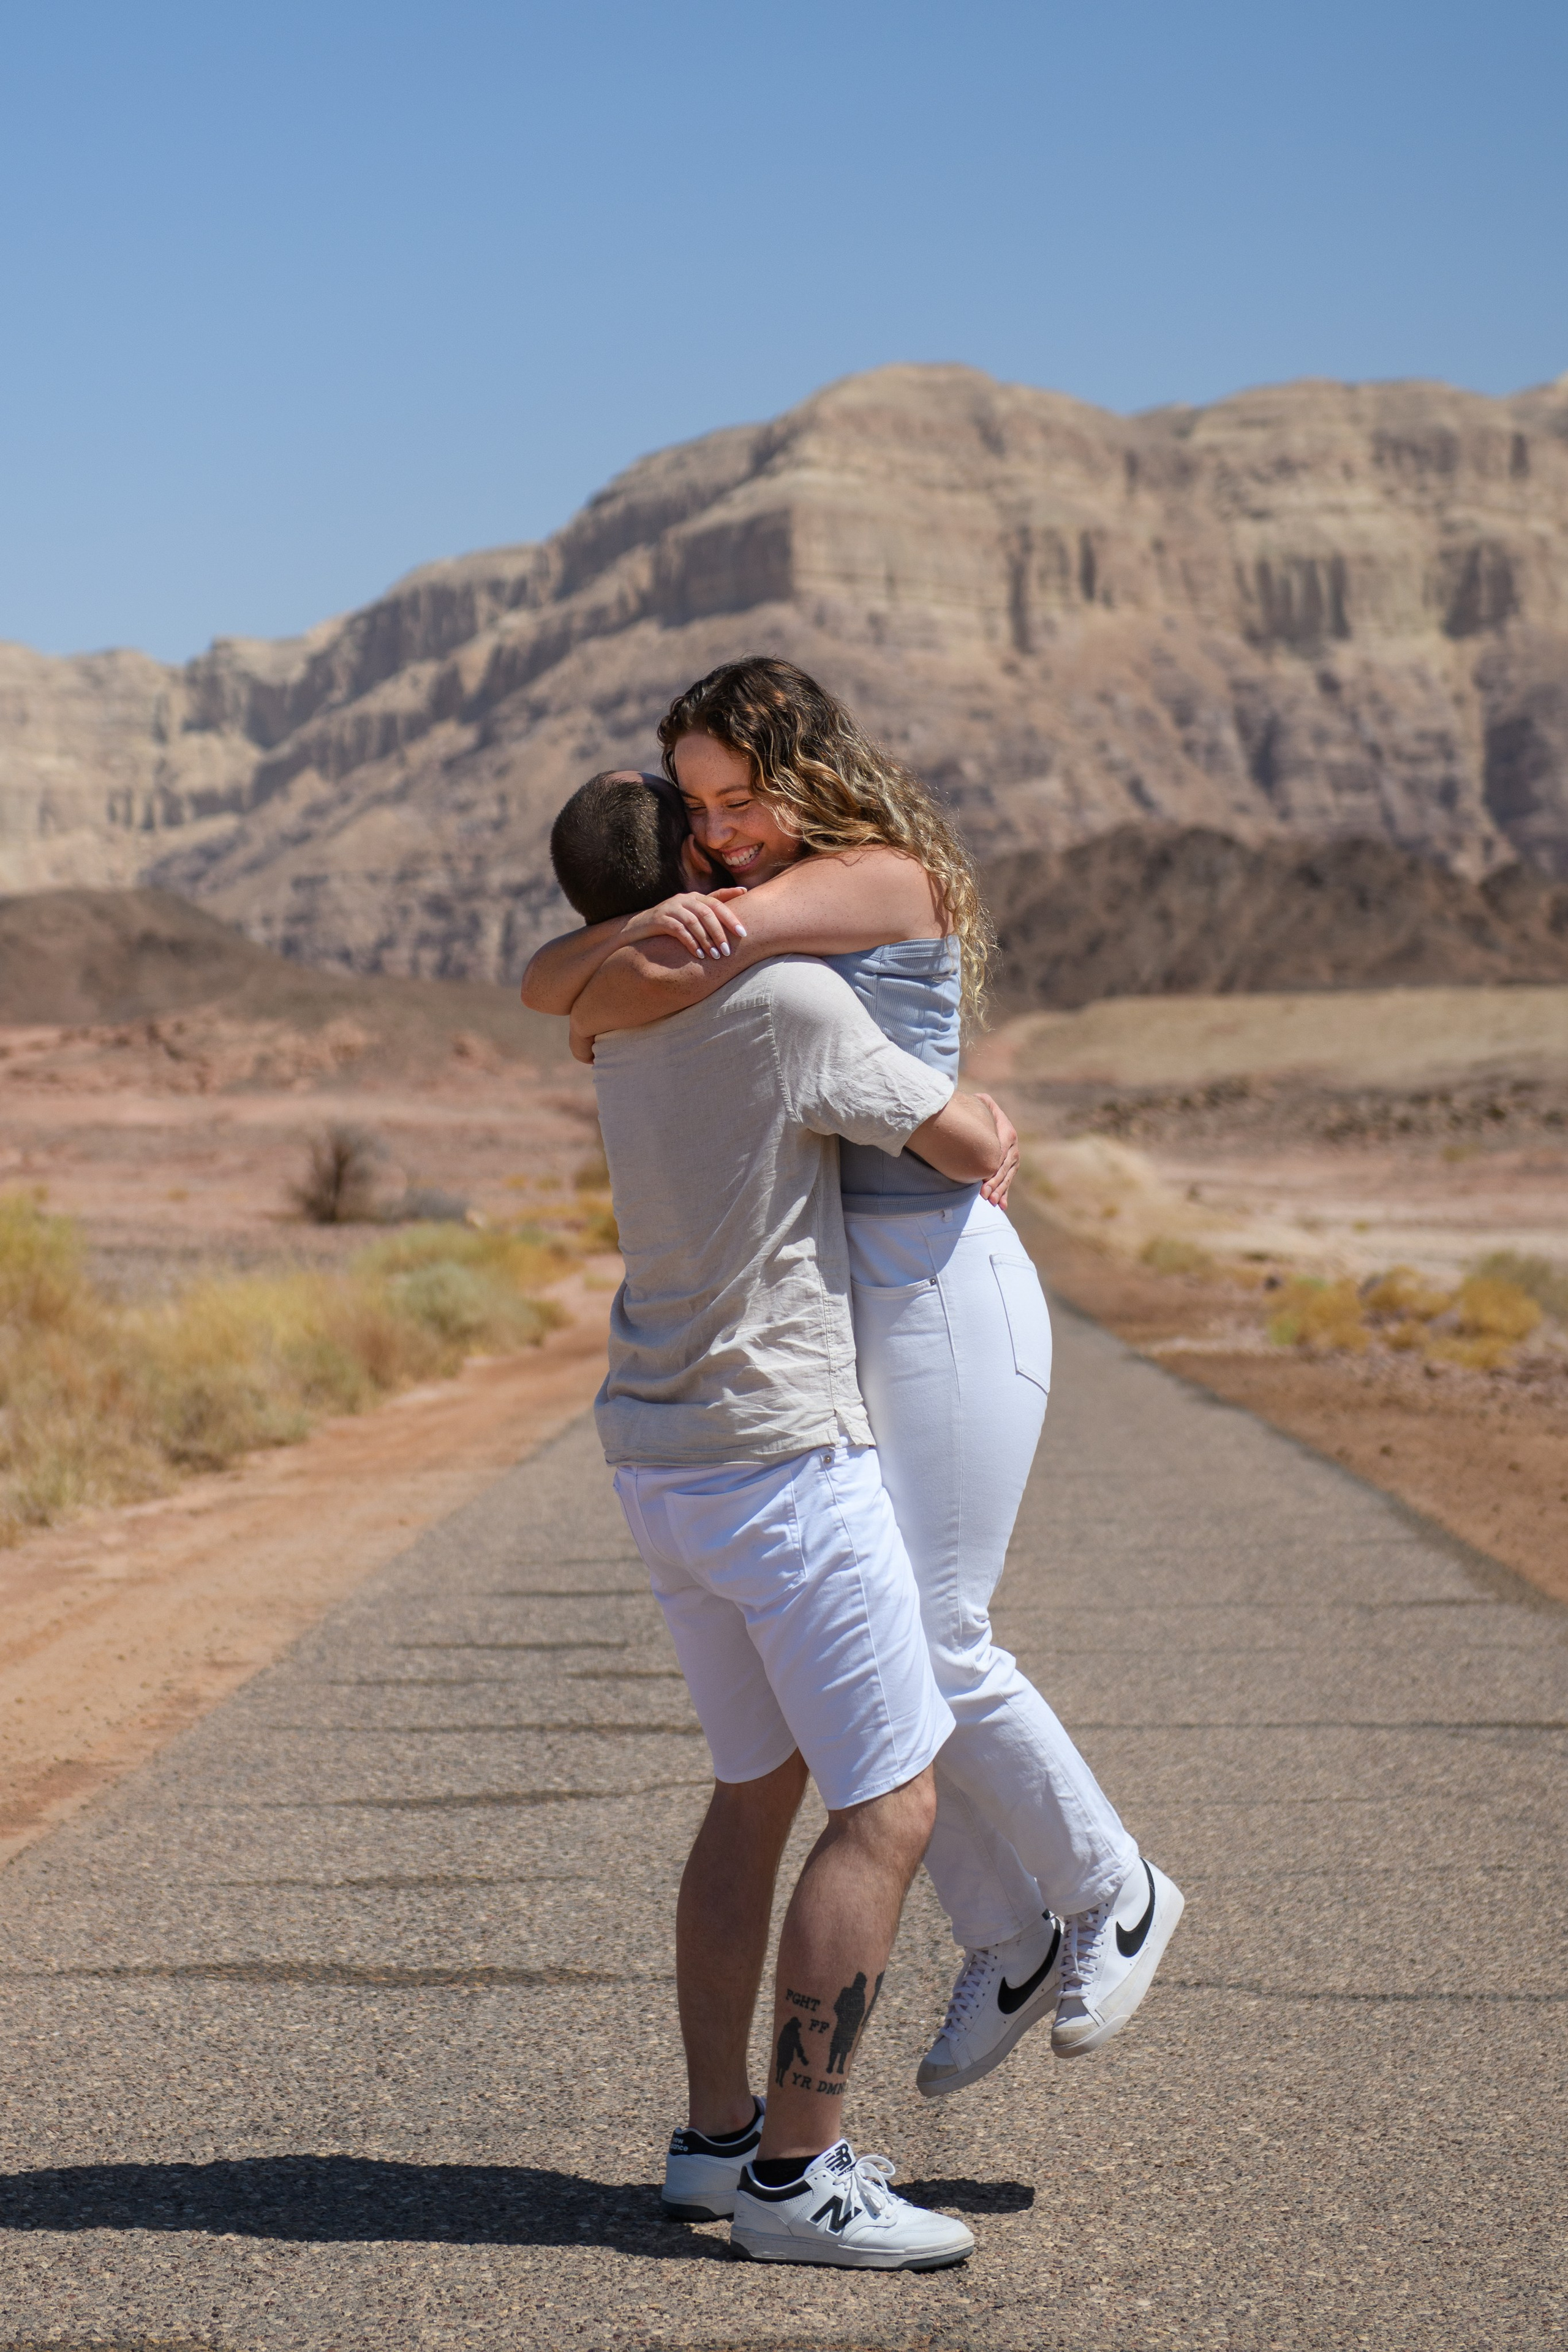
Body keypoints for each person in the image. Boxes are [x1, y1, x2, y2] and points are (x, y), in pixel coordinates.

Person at [524, 662, 1184, 2103]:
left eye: (738, 797)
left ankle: (1111, 1887)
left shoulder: (882, 878)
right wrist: (612, 972)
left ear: (804, 770)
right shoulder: (751, 905)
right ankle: (1004, 1934)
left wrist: (617, 973)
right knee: (879, 1659)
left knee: (937, 1634)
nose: (718, 833)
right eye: (694, 807)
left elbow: (621, 977)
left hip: (938, 1276)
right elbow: (553, 987)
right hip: (845, 1297)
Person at [567, 816, 1006, 2267]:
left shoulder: (608, 1023)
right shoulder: (788, 1003)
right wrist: (986, 1118)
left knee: (752, 1793)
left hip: (659, 1454)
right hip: (781, 1458)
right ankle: (798, 2175)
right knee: (885, 1808)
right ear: (700, 884)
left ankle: (714, 2139)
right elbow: (959, 1137)